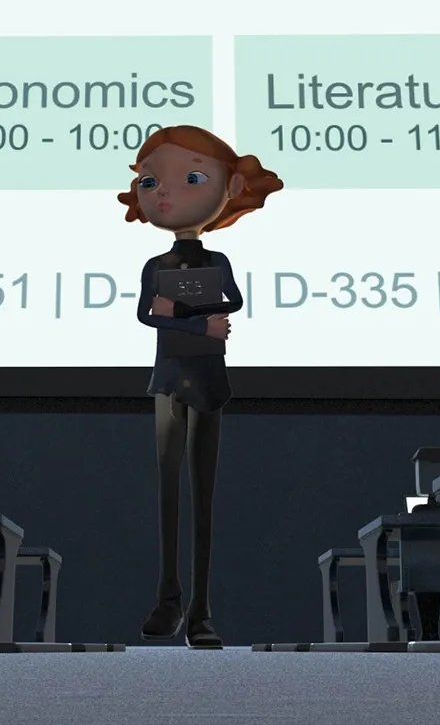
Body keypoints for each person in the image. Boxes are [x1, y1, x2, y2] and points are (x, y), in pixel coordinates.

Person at [116, 125, 283, 648]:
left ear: (228, 190)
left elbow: (229, 303)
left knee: (202, 498)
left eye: (191, 178)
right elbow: (149, 315)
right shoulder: (155, 265)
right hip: (169, 379)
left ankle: (201, 612)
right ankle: (168, 600)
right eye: (150, 182)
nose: (164, 192)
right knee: (170, 494)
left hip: (209, 377)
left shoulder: (217, 262)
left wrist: (184, 314)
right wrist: (194, 320)